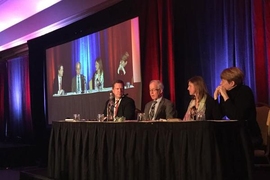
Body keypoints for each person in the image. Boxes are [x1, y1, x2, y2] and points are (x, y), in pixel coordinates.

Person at [213, 67, 262, 148]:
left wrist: (225, 97)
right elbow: (217, 116)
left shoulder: (245, 92)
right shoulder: (225, 94)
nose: (220, 83)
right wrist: (215, 99)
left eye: (223, 81)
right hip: (233, 133)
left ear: (232, 83)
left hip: (248, 134)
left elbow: (237, 116)